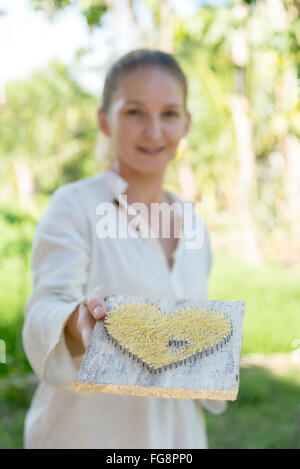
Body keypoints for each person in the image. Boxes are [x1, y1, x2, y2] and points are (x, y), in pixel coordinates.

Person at [22, 49, 227, 449]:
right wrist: (76, 323)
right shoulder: (74, 205)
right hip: (86, 436)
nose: (154, 132)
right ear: (104, 120)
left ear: (186, 123)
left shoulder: (193, 221)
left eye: (169, 114)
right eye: (134, 112)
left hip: (176, 438)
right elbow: (44, 310)